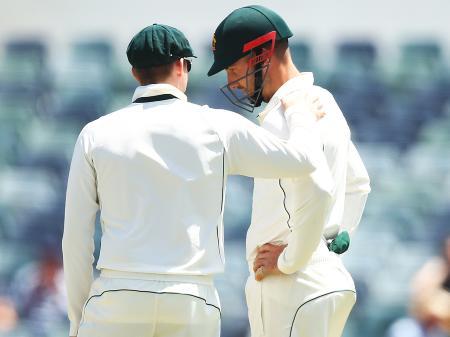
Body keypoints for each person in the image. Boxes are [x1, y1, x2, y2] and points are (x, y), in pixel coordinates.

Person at [62, 23, 334, 337]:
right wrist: (300, 111)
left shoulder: (95, 134)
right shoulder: (216, 126)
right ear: (182, 66)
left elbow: (76, 240)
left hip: (117, 297)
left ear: (135, 73)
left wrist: (77, 318)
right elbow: (303, 160)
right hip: (192, 298)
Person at [207, 5, 371, 337]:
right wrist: (335, 235)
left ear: (263, 52)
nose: (231, 83)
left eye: (233, 67)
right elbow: (358, 183)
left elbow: (321, 187)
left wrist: (290, 260)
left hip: (292, 286)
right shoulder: (322, 99)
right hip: (328, 281)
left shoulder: (286, 113)